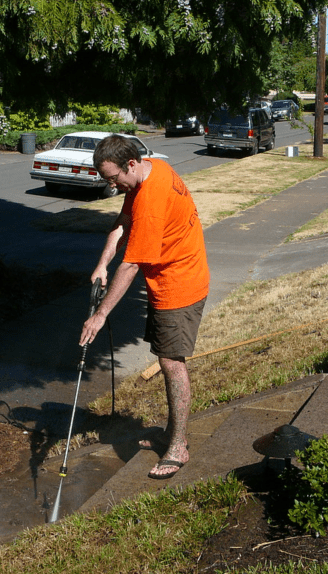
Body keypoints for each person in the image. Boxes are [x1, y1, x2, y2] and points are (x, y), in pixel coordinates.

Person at [79, 134, 209, 479]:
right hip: (172, 277)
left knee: (171, 362)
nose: (112, 185)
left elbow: (132, 265)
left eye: (113, 178)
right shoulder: (150, 172)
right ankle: (171, 434)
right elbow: (122, 225)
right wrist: (101, 264)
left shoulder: (151, 197)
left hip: (179, 284)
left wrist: (101, 314)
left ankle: (178, 446)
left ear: (131, 164)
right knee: (167, 357)